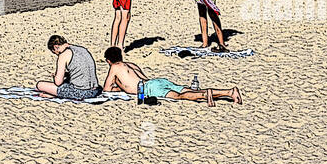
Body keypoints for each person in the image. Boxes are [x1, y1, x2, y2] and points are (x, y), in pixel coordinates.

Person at [102, 47, 240, 106]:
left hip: (149, 88)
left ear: (109, 61)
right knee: (185, 90)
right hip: (157, 81)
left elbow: (106, 89)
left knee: (181, 96)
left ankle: (206, 94)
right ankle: (228, 92)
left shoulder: (114, 67)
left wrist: (120, 89)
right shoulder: (131, 64)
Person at [35, 35, 101, 100]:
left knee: (40, 85)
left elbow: (58, 83)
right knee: (66, 81)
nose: (57, 54)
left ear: (56, 47)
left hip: (81, 92)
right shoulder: (82, 49)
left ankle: (54, 95)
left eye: (55, 52)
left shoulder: (63, 54)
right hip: (96, 90)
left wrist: (55, 76)